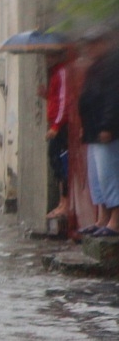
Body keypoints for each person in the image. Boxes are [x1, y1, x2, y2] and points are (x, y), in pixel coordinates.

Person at [79, 43, 119, 238]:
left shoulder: (113, 64)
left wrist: (107, 125)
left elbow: (112, 99)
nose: (89, 48)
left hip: (105, 130)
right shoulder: (96, 67)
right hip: (93, 130)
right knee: (96, 178)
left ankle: (115, 221)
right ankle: (102, 218)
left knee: (109, 175)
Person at [46, 56, 72, 225]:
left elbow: (64, 102)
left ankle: (65, 203)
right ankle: (62, 203)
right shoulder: (55, 73)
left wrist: (56, 126)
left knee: (61, 162)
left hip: (61, 126)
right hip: (56, 124)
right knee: (55, 161)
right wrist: (45, 95)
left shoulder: (62, 72)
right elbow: (56, 100)